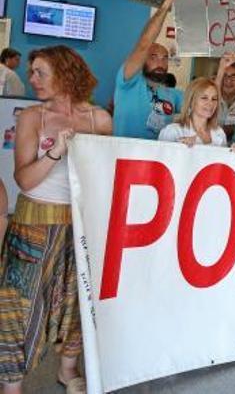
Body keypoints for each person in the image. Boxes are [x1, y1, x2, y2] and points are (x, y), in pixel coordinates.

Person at [0, 46, 112, 394]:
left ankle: (67, 369)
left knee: (76, 300)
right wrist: (55, 153)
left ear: (65, 72)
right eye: (31, 72)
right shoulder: (32, 117)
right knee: (16, 304)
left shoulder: (99, 120)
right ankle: (11, 381)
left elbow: (106, 178)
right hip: (32, 224)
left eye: (40, 72)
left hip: (79, 223)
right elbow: (25, 180)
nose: (32, 80)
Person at [112, 0, 183, 139]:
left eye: (165, 58)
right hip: (126, 160)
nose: (161, 63)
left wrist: (221, 69)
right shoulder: (128, 82)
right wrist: (166, 3)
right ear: (143, 59)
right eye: (154, 57)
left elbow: (206, 101)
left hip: (157, 162)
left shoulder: (172, 95)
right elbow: (144, 44)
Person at [158, 78, 227, 147]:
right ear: (191, 101)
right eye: (204, 98)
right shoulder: (173, 131)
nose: (210, 103)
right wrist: (180, 148)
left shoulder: (219, 133)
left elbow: (225, 157)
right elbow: (159, 155)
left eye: (214, 99)